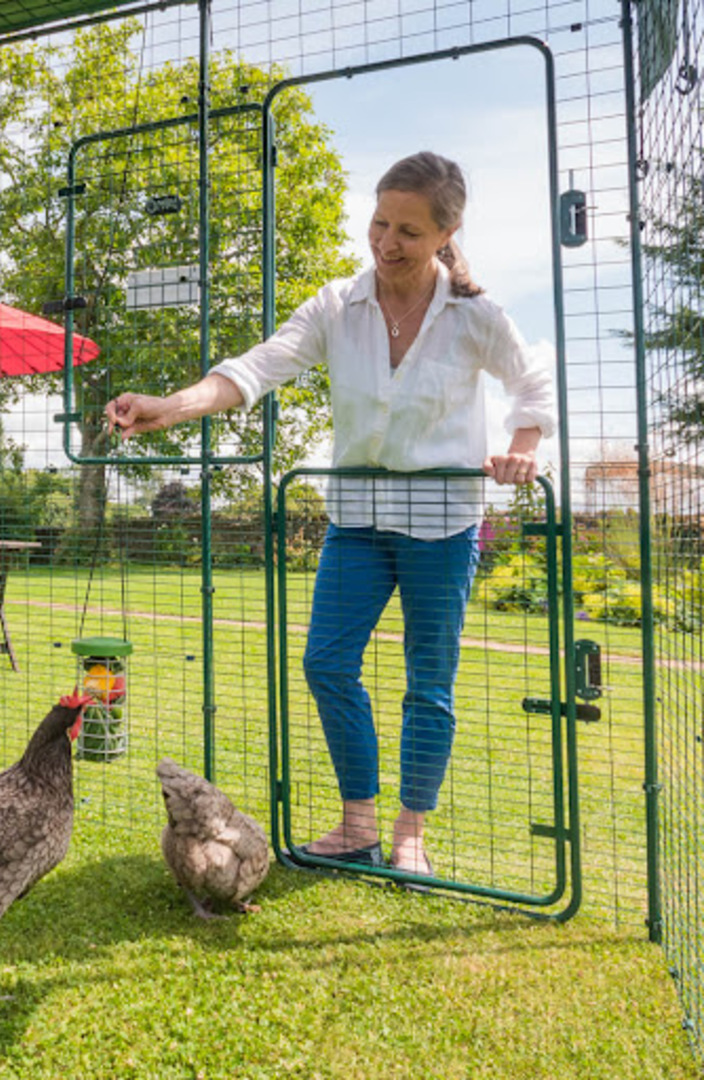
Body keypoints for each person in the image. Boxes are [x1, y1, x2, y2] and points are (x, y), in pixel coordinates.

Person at [104, 151, 555, 879]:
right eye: (379, 222)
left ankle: (410, 832)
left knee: (428, 680)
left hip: (443, 522)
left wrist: (521, 449)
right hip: (358, 519)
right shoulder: (336, 305)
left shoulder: (475, 316)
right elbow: (256, 367)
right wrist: (169, 408)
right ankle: (357, 825)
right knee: (326, 663)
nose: (386, 242)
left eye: (408, 230)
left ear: (447, 232)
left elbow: (532, 382)